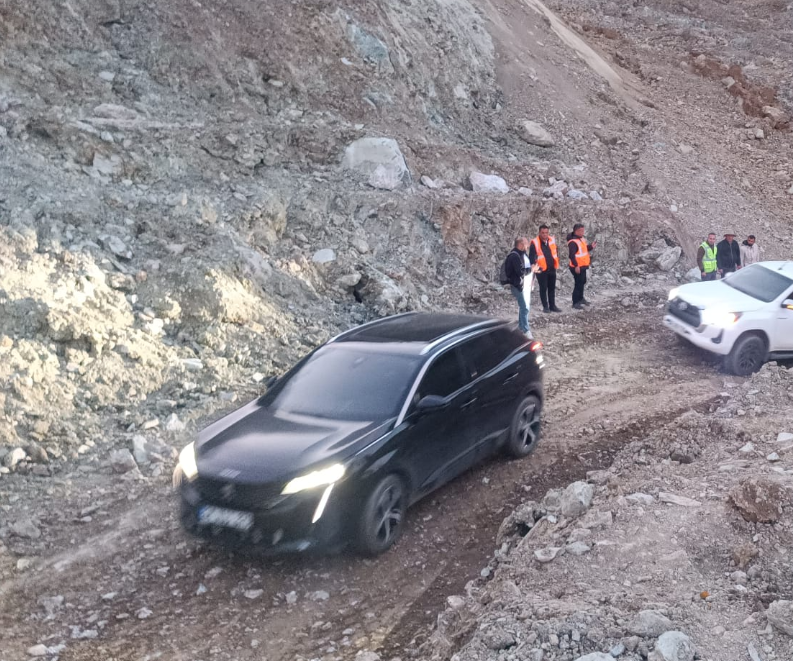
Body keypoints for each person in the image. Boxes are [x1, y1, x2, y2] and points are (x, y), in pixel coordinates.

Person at [503, 237, 539, 337]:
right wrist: (531, 269)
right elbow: (521, 272)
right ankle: (526, 330)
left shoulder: (523, 254)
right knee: (524, 307)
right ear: (521, 244)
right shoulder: (514, 256)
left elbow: (526, 269)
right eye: (526, 243)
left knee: (524, 307)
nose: (528, 245)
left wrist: (533, 272)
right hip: (518, 286)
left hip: (526, 285)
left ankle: (521, 327)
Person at [529, 225, 562, 313]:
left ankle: (552, 306)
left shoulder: (551, 240)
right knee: (543, 288)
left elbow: (555, 252)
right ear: (539, 233)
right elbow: (531, 258)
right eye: (543, 233)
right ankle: (545, 307)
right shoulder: (535, 243)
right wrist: (535, 268)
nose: (545, 235)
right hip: (541, 270)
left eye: (546, 233)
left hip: (551, 268)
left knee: (551, 288)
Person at [567, 223, 596, 310]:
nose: (583, 232)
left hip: (582, 266)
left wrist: (591, 247)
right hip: (577, 267)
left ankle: (581, 298)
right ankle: (575, 302)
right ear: (576, 231)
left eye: (583, 231)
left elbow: (583, 249)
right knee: (578, 284)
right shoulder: (573, 242)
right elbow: (571, 256)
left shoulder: (581, 239)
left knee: (582, 282)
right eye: (581, 231)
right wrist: (576, 266)